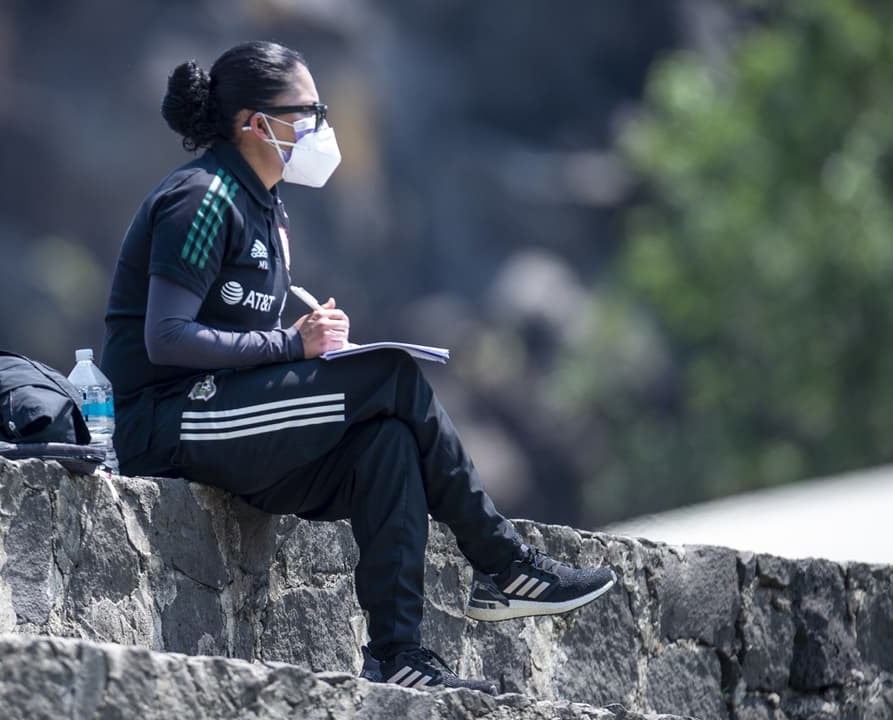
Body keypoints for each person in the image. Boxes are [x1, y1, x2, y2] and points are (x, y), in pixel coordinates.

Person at [100, 40, 616, 694]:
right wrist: (293, 347)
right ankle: (505, 564)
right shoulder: (204, 197)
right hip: (167, 427)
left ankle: (398, 655)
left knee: (388, 443)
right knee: (393, 377)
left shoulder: (270, 211)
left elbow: (249, 345)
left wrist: (312, 346)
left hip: (230, 422)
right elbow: (166, 339)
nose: (322, 125)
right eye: (307, 111)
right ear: (254, 124)